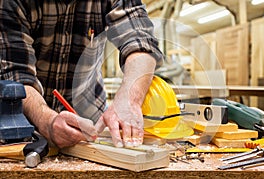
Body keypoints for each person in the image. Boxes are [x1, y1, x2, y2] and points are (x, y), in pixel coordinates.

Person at [0, 0, 163, 148]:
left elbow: (141, 41)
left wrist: (129, 98)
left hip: (90, 126)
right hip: (27, 132)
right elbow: (18, 77)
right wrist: (48, 121)